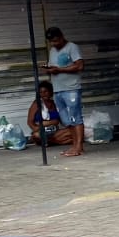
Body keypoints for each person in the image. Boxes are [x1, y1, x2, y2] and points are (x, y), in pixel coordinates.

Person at [44, 27, 85, 157]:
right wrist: (49, 70)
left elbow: (79, 66)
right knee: (66, 120)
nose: (54, 44)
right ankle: (74, 146)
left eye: (56, 41)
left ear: (62, 36)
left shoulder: (72, 47)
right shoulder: (52, 51)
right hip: (58, 89)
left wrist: (60, 70)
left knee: (75, 118)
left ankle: (79, 147)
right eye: (51, 42)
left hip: (71, 88)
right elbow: (54, 66)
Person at [27, 81, 81, 152]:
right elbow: (30, 122)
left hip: (54, 131)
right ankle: (57, 141)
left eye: (45, 91)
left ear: (50, 92)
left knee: (73, 132)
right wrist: (40, 127)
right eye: (41, 92)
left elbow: (61, 121)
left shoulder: (54, 103)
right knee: (36, 135)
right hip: (41, 131)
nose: (43, 94)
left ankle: (51, 141)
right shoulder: (37, 104)